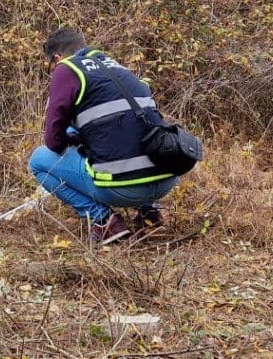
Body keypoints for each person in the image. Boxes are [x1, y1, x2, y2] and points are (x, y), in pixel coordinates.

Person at [29, 27, 180, 243]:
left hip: (124, 189)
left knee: (38, 160)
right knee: (129, 134)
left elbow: (53, 141)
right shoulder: (116, 67)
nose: (53, 70)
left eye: (51, 66)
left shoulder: (67, 69)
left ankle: (104, 221)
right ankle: (150, 213)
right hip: (166, 181)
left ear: (58, 58)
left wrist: (73, 139)